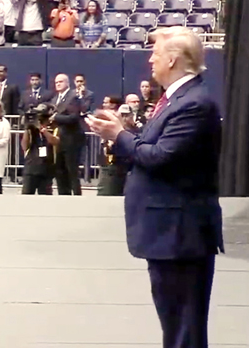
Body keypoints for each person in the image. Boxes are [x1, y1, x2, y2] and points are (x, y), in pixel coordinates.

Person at [86, 27, 223, 348]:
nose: (151, 59)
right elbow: (154, 147)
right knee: (175, 323)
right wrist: (123, 132)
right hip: (168, 232)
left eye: (157, 54)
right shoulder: (175, 100)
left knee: (183, 329)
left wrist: (120, 135)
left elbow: (161, 157)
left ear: (173, 59)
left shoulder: (194, 103)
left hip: (179, 233)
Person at [51, 73, 85, 195]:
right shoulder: (54, 99)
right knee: (59, 170)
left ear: (67, 83)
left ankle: (76, 195)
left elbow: (74, 117)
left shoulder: (73, 97)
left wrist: (56, 117)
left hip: (72, 139)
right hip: (58, 139)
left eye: (60, 82)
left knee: (72, 170)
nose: (58, 84)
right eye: (56, 82)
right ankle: (63, 195)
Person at [20, 102, 58, 194]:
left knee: (45, 199)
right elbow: (25, 146)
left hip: (47, 168)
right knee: (26, 196)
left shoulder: (54, 127)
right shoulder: (31, 128)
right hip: (31, 167)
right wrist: (27, 128)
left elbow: (55, 141)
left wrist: (43, 130)